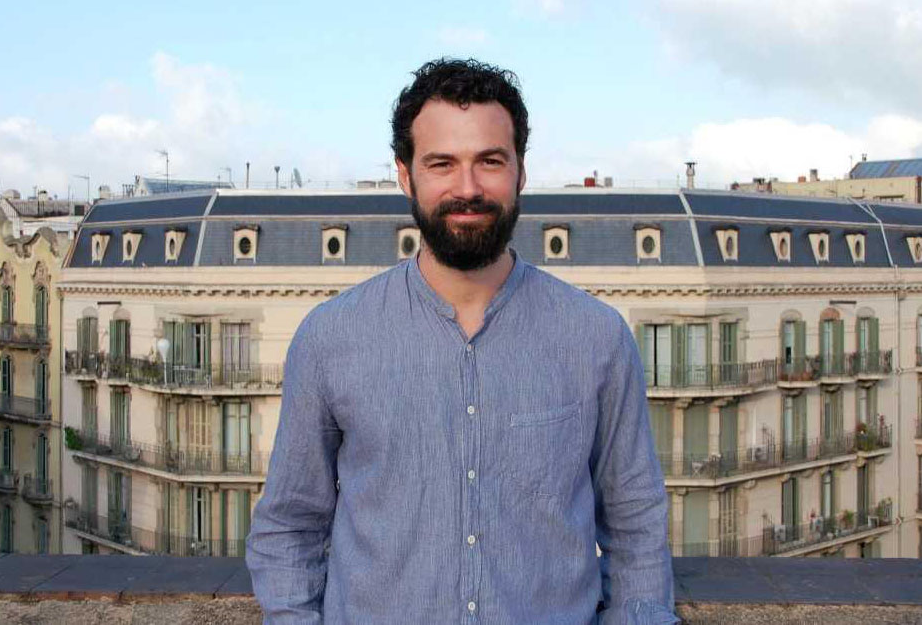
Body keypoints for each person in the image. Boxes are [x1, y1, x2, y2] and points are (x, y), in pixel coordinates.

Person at [246, 58, 679, 624]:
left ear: (520, 172)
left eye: (490, 161)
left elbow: (635, 521)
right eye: (442, 163)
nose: (468, 188)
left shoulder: (597, 338)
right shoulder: (330, 338)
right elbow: (290, 524)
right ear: (406, 176)